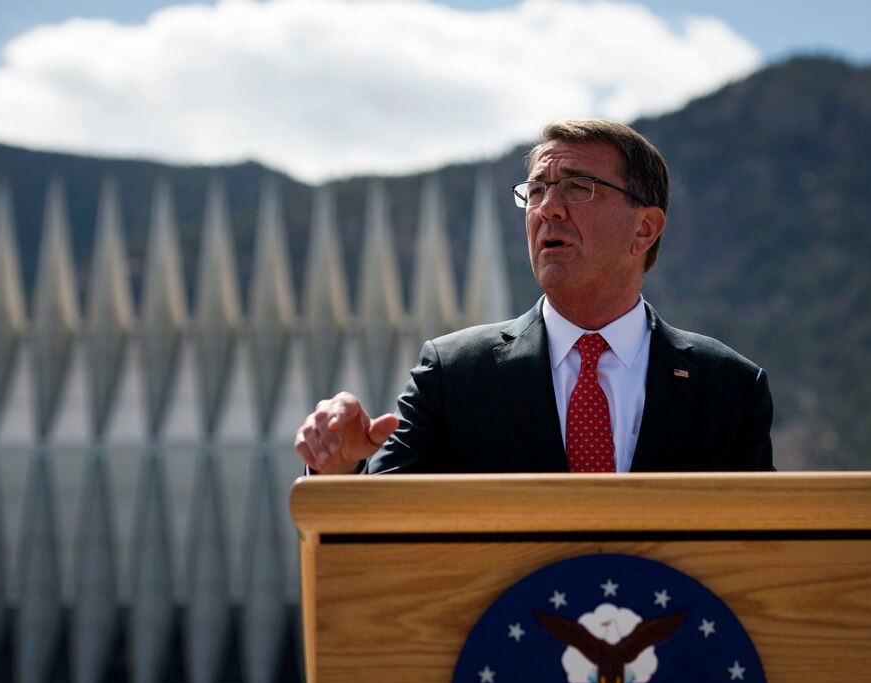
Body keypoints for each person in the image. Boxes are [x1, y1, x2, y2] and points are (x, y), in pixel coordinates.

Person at [294, 119, 774, 475]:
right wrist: (339, 469)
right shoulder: (454, 374)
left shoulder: (728, 387)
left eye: (577, 188)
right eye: (537, 191)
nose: (548, 209)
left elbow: (769, 551)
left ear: (644, 229)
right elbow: (383, 529)